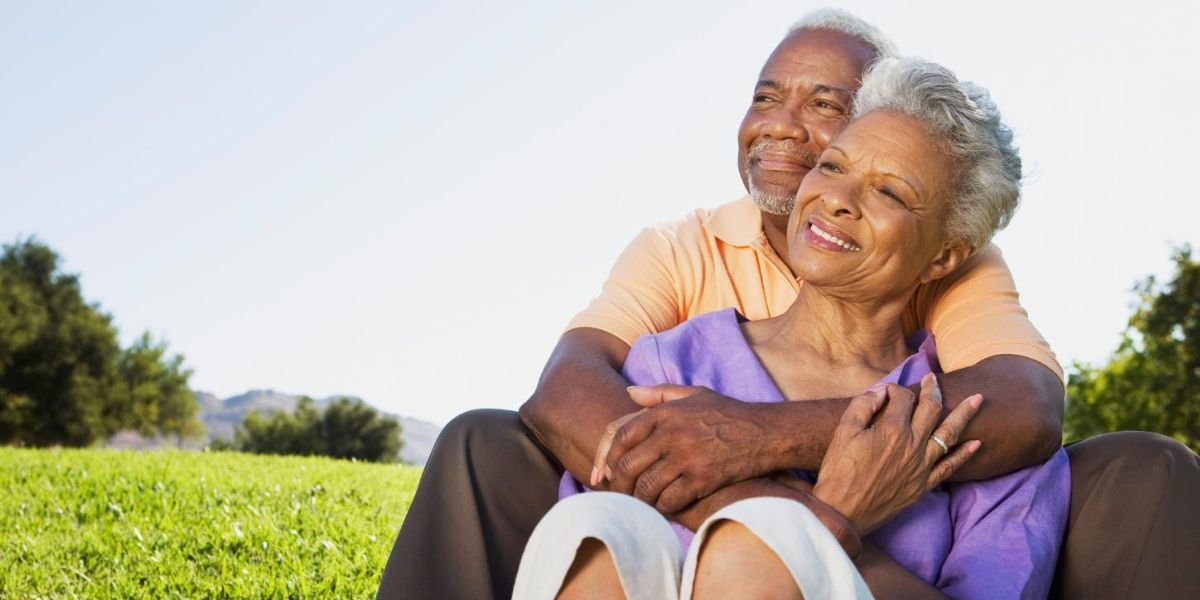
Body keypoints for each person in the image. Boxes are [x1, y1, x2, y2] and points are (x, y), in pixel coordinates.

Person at [376, 10, 1200, 600]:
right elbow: (564, 396)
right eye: (770, 98)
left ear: (945, 250)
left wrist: (790, 504)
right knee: (558, 501)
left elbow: (1024, 409)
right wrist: (806, 513)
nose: (790, 136)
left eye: (827, 110)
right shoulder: (671, 345)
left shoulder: (962, 319)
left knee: (1143, 465)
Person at [513, 56, 1070, 599]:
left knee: (749, 550)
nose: (838, 200)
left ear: (944, 257)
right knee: (597, 526)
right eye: (832, 166)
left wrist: (806, 539)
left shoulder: (970, 429)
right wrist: (823, 519)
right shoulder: (667, 367)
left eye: (889, 193)